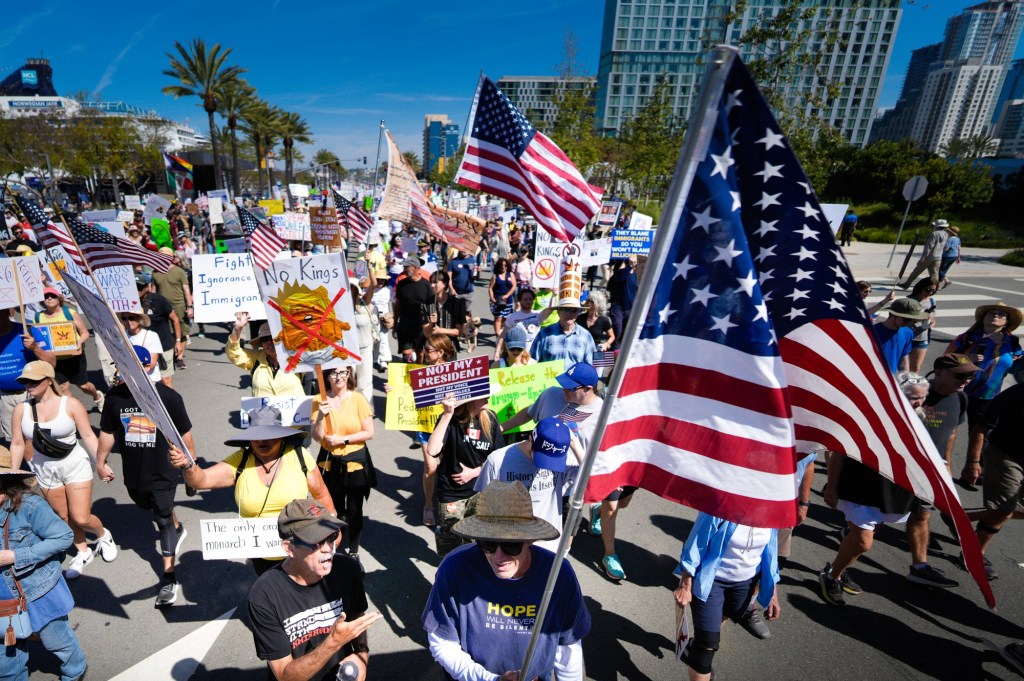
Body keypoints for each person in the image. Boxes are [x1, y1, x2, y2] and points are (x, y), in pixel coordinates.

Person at [816, 362, 969, 604]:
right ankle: (831, 576)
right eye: (913, 398)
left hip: (893, 494)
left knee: (856, 541)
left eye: (922, 398)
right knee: (863, 543)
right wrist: (832, 486)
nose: (919, 403)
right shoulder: (870, 419)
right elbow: (838, 453)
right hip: (860, 489)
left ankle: (837, 571)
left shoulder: (918, 421)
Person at [422, 480, 590, 681]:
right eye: (488, 544)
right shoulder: (455, 568)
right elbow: (442, 641)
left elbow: (567, 647)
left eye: (511, 545)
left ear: (530, 540)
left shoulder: (558, 573)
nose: (499, 557)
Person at [169, 405, 334, 575]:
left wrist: (332, 529)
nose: (262, 441)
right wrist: (187, 465)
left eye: (269, 436)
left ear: (281, 436)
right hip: (261, 556)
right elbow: (201, 480)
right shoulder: (239, 460)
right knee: (272, 596)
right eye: (257, 436)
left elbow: (321, 495)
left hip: (300, 550)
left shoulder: (299, 456)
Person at [95, 345, 194, 606]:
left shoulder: (168, 397)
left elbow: (185, 434)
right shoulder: (114, 397)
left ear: (147, 366)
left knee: (161, 520)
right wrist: (100, 461)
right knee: (150, 506)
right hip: (134, 475)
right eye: (122, 367)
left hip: (163, 472)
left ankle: (169, 577)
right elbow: (107, 431)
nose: (124, 373)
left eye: (132, 367)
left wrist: (190, 466)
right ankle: (176, 526)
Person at [247, 498, 383, 681]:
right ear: (290, 548)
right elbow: (284, 676)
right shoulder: (264, 595)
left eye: (331, 537)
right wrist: (333, 642)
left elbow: (356, 618)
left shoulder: (348, 569)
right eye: (315, 542)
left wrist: (362, 655)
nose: (328, 549)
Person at [9, 361, 116, 580]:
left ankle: (103, 535)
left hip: (74, 464)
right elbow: (18, 443)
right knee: (64, 516)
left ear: (49, 380)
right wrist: (12, 473)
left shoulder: (71, 404)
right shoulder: (22, 409)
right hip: (45, 469)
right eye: (26, 381)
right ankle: (83, 551)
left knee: (82, 517)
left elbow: (87, 435)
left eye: (35, 381)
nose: (29, 385)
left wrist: (101, 463)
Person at [0, 463, 86, 681]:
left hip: (37, 593)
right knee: (6, 659)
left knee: (58, 642)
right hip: (3, 601)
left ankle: (75, 670)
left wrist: (16, 556)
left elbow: (64, 537)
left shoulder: (30, 506)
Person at [673, 513, 780, 681]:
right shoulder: (722, 503)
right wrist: (686, 584)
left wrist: (772, 592)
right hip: (711, 581)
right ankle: (701, 647)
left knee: (724, 615)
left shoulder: (772, 509)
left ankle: (695, 645)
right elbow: (696, 543)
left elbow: (771, 554)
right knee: (707, 646)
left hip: (745, 584)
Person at [475, 418, 577, 552]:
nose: (548, 465)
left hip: (548, 543)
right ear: (531, 439)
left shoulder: (565, 459)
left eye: (554, 460)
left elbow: (593, 480)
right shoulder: (497, 460)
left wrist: (574, 443)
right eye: (544, 457)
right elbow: (486, 503)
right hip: (511, 544)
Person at [427, 392, 504, 558]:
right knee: (450, 543)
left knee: (475, 542)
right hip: (451, 493)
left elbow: (498, 458)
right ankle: (449, 576)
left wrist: (474, 472)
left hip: (480, 491)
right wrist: (447, 415)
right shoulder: (450, 419)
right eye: (483, 395)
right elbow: (432, 450)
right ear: (469, 401)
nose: (488, 397)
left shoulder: (490, 418)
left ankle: (469, 576)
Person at [311, 366, 375, 567]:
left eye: (343, 372)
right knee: (334, 509)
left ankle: (354, 551)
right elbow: (317, 437)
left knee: (355, 509)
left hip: (355, 462)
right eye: (333, 373)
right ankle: (335, 546)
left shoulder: (357, 399)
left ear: (349, 374)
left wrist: (344, 439)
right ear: (326, 376)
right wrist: (321, 416)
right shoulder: (318, 400)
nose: (338, 377)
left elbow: (369, 432)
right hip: (329, 463)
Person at [961, 380, 1024, 581]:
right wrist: (973, 461)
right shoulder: (1017, 393)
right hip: (1005, 455)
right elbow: (981, 427)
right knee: (1003, 509)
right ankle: (973, 554)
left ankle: (963, 518)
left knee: (1011, 510)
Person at [945, 302, 1023, 438]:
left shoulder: (1012, 343)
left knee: (979, 436)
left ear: (1006, 322)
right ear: (984, 318)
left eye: (1001, 314)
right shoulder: (968, 338)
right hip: (958, 390)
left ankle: (976, 460)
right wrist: (966, 358)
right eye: (991, 313)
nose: (996, 315)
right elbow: (945, 359)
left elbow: (1018, 367)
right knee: (948, 431)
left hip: (988, 397)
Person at [34, 287, 103, 409]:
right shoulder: (38, 317)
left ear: (58, 298)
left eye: (52, 296)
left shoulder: (69, 313)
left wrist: (79, 342)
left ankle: (97, 396)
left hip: (74, 357)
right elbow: (39, 338)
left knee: (84, 386)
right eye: (46, 296)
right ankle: (75, 411)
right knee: (63, 387)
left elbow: (85, 333)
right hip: (54, 360)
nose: (49, 298)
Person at [0, 308, 56, 446]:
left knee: (39, 437)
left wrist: (35, 347)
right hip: (5, 398)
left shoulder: (28, 332)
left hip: (32, 394)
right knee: (15, 441)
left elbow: (52, 363)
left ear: (8, 312)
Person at [226, 312, 305, 397]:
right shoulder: (256, 358)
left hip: (295, 409)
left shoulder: (296, 356)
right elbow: (233, 352)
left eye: (272, 338)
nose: (269, 343)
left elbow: (315, 349)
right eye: (264, 339)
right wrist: (238, 328)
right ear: (261, 344)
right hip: (262, 410)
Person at [136, 274, 184, 388]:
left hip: (164, 346)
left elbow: (175, 319)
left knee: (165, 381)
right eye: (134, 287)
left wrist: (178, 341)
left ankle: (169, 405)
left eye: (139, 287)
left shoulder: (159, 300)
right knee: (147, 381)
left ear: (147, 287)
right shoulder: (130, 303)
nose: (137, 290)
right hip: (144, 348)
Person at [150, 248, 193, 365]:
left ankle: (179, 358)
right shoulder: (155, 272)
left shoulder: (179, 272)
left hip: (179, 306)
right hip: (162, 308)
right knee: (167, 332)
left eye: (165, 256)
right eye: (160, 256)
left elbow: (186, 290)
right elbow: (153, 292)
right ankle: (169, 355)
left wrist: (190, 307)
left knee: (182, 332)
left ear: (171, 257)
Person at [530, 300, 596, 371]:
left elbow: (591, 366)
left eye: (573, 310)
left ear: (578, 312)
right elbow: (531, 363)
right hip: (549, 381)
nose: (568, 313)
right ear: (558, 311)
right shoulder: (544, 334)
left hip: (575, 382)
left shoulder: (586, 336)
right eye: (564, 309)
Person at [393, 256, 434, 363]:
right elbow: (398, 304)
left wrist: (432, 324)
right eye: (404, 266)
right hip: (405, 323)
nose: (405, 269)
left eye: (407, 267)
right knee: (407, 355)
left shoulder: (427, 285)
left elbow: (432, 306)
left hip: (422, 325)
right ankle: (408, 377)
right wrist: (395, 322)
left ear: (415, 268)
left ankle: (417, 376)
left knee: (420, 353)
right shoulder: (401, 284)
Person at [872, 298, 929, 374]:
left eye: (913, 320)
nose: (909, 323)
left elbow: (904, 359)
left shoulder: (908, 332)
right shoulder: (872, 332)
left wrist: (906, 379)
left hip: (892, 379)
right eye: (906, 319)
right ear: (893, 315)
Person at [423, 272, 467, 354]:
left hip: (450, 348)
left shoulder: (457, 303)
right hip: (432, 350)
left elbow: (459, 332)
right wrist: (430, 322)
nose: (432, 285)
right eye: (431, 282)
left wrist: (440, 330)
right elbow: (426, 333)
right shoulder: (426, 304)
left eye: (435, 282)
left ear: (444, 284)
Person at [898, 219, 949, 289]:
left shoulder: (934, 234)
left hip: (929, 256)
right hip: (938, 257)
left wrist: (923, 257)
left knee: (916, 271)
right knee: (934, 274)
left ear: (937, 226)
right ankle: (936, 287)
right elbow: (946, 246)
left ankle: (906, 284)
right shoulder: (946, 234)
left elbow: (929, 246)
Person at [119, 310, 163, 383]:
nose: (128, 321)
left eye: (131, 318)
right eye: (124, 318)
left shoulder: (151, 336)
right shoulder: (121, 337)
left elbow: (152, 363)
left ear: (139, 319)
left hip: (150, 379)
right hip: (129, 380)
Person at [906, 278, 938, 374]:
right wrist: (917, 319)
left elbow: (932, 317)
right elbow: (902, 321)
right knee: (904, 367)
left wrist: (932, 322)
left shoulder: (932, 301)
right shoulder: (910, 301)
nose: (930, 292)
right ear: (921, 287)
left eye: (934, 290)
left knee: (916, 368)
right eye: (928, 290)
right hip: (908, 337)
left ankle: (911, 386)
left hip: (922, 338)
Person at [488, 258, 516, 340]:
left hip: (508, 300)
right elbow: (490, 288)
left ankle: (501, 332)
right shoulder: (495, 276)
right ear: (498, 266)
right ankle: (498, 336)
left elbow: (514, 286)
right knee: (498, 318)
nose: (503, 267)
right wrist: (492, 298)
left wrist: (507, 295)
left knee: (506, 318)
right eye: (501, 265)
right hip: (497, 301)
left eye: (505, 265)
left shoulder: (510, 274)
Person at [938, 224, 960, 289]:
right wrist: (958, 257)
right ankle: (938, 283)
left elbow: (946, 248)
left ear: (950, 232)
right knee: (944, 270)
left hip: (947, 255)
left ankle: (946, 280)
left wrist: (941, 250)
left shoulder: (949, 239)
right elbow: (959, 248)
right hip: (954, 256)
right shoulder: (957, 239)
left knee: (938, 269)